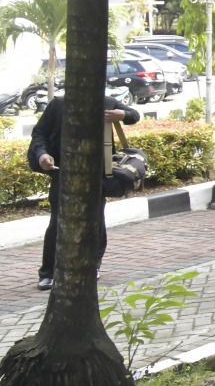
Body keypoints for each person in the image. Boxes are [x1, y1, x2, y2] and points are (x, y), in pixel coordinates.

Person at [30, 93, 140, 290]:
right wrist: (42, 155)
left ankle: (92, 265)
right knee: (57, 221)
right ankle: (48, 271)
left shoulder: (106, 102)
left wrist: (121, 114)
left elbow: (134, 115)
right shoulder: (59, 105)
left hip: (96, 174)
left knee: (95, 219)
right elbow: (39, 134)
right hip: (63, 172)